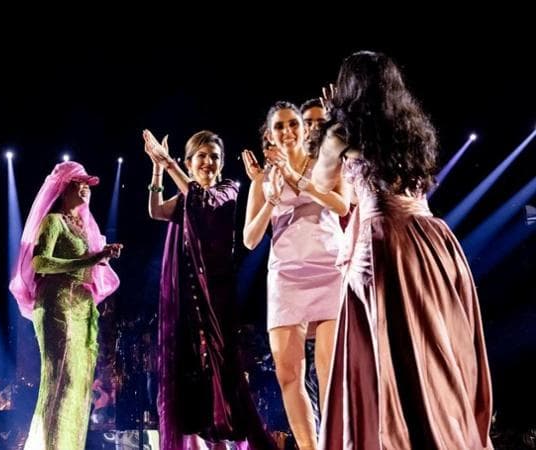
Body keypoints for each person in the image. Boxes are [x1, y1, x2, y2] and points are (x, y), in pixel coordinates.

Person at [312, 50, 493, 449]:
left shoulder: (343, 131)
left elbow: (321, 181)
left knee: (388, 349)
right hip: (432, 241)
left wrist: (329, 124)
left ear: (348, 87)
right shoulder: (411, 128)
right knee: (434, 346)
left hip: (384, 244)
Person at [144, 129, 277, 450]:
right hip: (186, 300)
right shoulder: (186, 197)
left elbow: (202, 202)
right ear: (190, 162)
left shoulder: (227, 191)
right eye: (201, 156)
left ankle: (232, 438)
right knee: (190, 372)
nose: (208, 162)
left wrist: (170, 165)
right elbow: (157, 211)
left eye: (214, 157)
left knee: (222, 369)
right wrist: (158, 169)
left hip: (216, 299)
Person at [241, 101, 348, 450]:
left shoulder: (327, 164)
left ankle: (336, 442)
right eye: (279, 127)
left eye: (293, 124)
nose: (287, 131)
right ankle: (308, 446)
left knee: (329, 370)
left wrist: (299, 179)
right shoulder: (263, 180)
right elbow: (250, 239)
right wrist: (271, 200)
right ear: (269, 136)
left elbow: (342, 205)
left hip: (329, 270)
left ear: (304, 128)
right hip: (286, 277)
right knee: (288, 374)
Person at [9, 161, 122, 450]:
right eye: (78, 184)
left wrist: (102, 257)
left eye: (87, 185)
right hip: (57, 303)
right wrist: (91, 259)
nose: (84, 189)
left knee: (79, 382)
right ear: (63, 189)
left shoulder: (84, 227)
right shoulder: (53, 221)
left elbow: (88, 265)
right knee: (61, 377)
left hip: (82, 307)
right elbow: (40, 263)